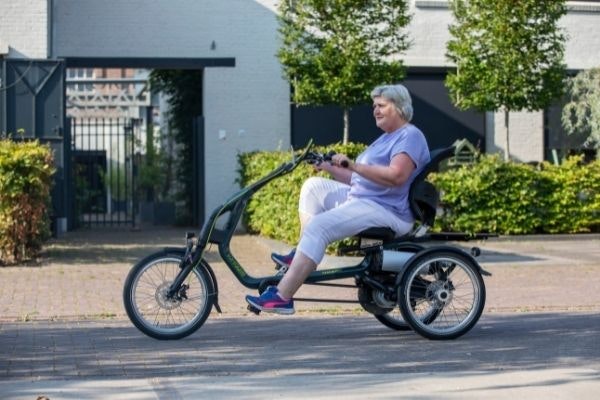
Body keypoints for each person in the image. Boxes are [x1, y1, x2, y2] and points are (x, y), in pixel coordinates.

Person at [246, 83, 431, 314]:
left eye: (381, 105)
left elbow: (396, 176)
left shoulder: (409, 136)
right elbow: (357, 179)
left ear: (400, 107)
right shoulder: (386, 138)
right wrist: (327, 166)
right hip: (366, 200)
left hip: (388, 210)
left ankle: (282, 296)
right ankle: (301, 255)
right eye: (374, 105)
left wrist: (353, 164)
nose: (375, 110)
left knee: (319, 226)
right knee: (313, 187)